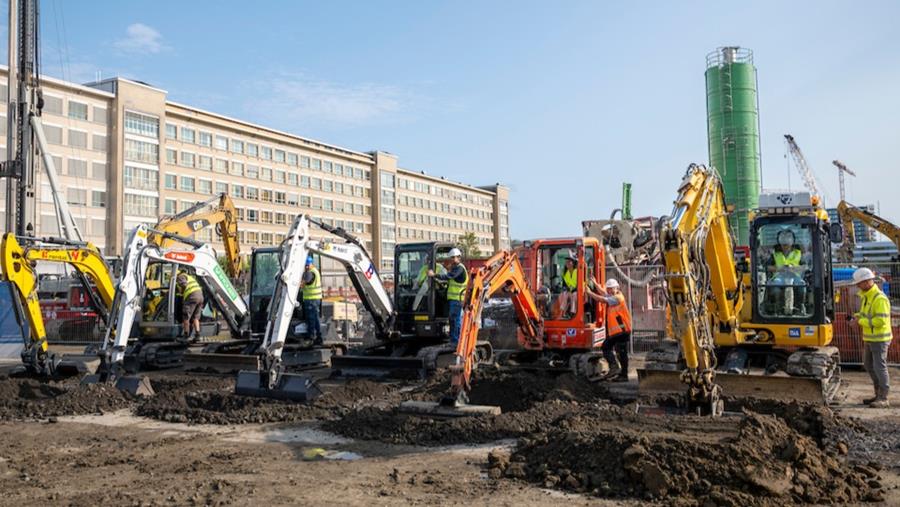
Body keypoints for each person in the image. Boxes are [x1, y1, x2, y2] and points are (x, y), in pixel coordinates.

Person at [850, 267, 892, 408]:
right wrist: (857, 317)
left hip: (879, 339)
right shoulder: (867, 296)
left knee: (879, 367)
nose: (857, 286)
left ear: (867, 281)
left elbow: (880, 321)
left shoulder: (879, 299)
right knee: (868, 365)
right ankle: (878, 394)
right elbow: (865, 314)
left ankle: (883, 398)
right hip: (870, 338)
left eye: (859, 283)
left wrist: (860, 322)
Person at [587, 278, 632, 382]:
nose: (610, 291)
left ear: (617, 288)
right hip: (618, 332)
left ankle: (620, 372)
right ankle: (618, 371)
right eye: (609, 289)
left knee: (618, 351)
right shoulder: (612, 295)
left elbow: (602, 299)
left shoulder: (618, 298)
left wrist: (589, 293)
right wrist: (595, 283)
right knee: (611, 348)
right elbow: (603, 293)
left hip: (622, 331)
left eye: (611, 289)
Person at [429, 248, 467, 345]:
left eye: (454, 258)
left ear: (459, 257)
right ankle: (454, 340)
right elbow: (449, 281)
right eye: (451, 258)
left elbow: (448, 276)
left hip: (457, 299)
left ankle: (456, 341)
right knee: (452, 320)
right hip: (453, 299)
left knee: (455, 320)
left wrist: (434, 275)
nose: (453, 260)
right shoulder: (455, 268)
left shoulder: (460, 268)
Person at [766, 229, 807, 315]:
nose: (785, 247)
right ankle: (777, 308)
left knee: (801, 286)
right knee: (776, 287)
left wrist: (794, 268)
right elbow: (768, 267)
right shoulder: (775, 254)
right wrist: (779, 268)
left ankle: (800, 307)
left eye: (787, 245)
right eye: (783, 245)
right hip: (779, 276)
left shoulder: (798, 253)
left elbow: (804, 267)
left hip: (795, 276)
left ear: (792, 243)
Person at [300, 254, 323, 345]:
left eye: (307, 265)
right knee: (315, 318)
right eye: (305, 265)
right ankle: (318, 336)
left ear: (311, 264)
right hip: (314, 299)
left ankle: (311, 336)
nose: (306, 267)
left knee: (311, 318)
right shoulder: (315, 271)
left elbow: (304, 283)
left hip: (311, 300)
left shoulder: (310, 272)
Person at [176, 271, 204, 341]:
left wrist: (181, 293)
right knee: (195, 317)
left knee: (186, 316)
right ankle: (197, 335)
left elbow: (184, 285)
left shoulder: (181, 276)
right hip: (200, 296)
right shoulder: (190, 277)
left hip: (192, 297)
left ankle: (186, 335)